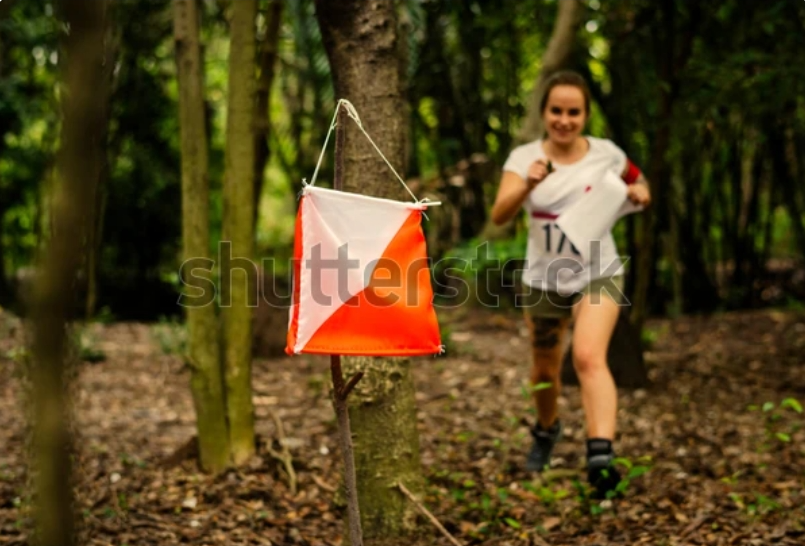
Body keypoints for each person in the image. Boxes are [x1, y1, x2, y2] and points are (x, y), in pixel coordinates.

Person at [490, 70, 651, 498]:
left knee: (586, 357)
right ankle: (546, 430)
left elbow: (639, 181)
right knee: (545, 367)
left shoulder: (607, 154)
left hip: (600, 270)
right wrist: (530, 183)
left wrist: (640, 194)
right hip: (544, 277)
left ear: (585, 115)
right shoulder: (524, 158)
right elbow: (500, 214)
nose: (564, 120)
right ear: (544, 113)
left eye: (573, 112)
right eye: (556, 111)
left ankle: (600, 459)